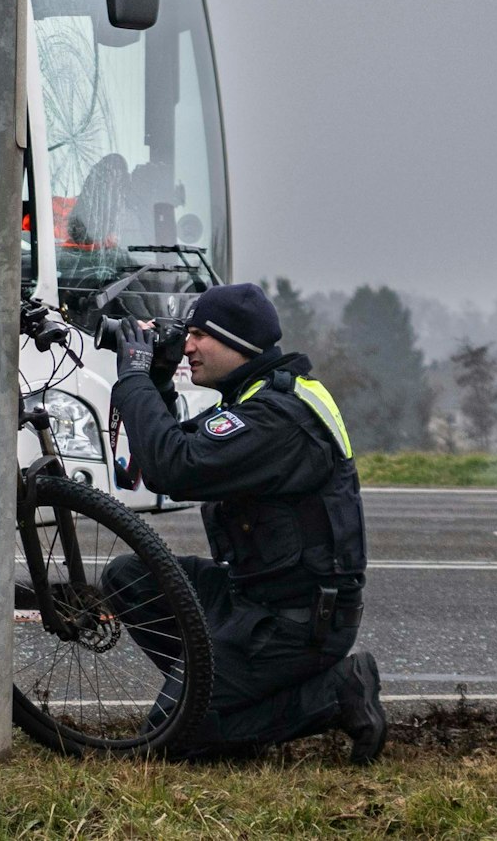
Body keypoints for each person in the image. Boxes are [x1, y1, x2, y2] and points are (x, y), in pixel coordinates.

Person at [101, 282, 388, 763]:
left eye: (200, 335)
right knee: (129, 579)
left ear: (237, 342)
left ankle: (335, 693)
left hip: (296, 623)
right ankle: (216, 696)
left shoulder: (278, 416)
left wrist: (132, 378)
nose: (188, 346)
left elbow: (176, 468)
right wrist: (159, 380)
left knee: (173, 738)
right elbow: (172, 451)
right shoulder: (253, 398)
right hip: (253, 596)